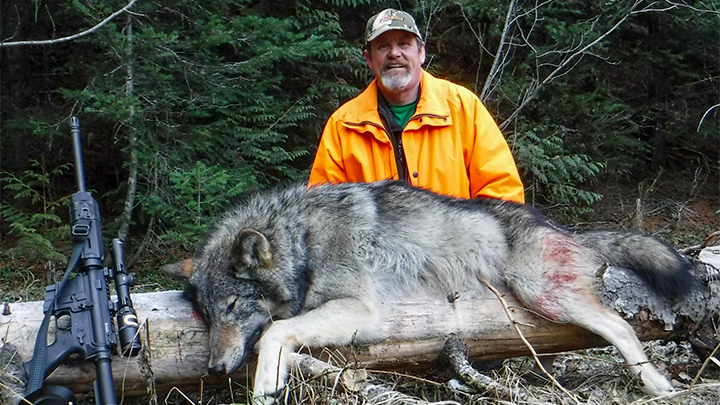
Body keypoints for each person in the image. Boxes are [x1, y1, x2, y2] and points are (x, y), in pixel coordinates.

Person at [308, 8, 525, 203]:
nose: (394, 53)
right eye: (383, 46)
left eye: (403, 43)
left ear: (421, 52)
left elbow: (502, 194)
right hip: (374, 248)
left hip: (454, 245)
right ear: (369, 59)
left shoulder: (462, 108)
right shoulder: (343, 125)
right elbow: (321, 210)